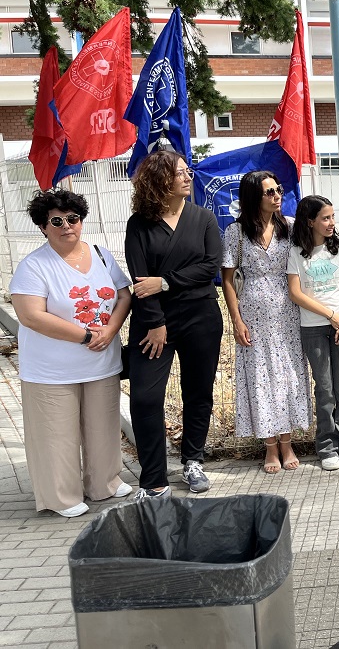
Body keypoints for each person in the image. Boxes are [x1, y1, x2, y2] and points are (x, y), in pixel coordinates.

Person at [11, 189, 132, 517]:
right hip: (51, 371)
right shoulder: (34, 265)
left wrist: (109, 330)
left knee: (103, 428)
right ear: (43, 226)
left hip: (102, 362)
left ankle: (104, 482)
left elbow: (123, 296)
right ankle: (61, 496)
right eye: (56, 220)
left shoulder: (101, 254)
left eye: (73, 218)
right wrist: (85, 335)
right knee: (55, 434)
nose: (67, 225)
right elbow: (31, 315)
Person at [125, 151, 224, 498]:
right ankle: (153, 480)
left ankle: (193, 460)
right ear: (159, 180)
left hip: (201, 316)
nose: (188, 177)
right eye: (179, 172)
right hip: (152, 322)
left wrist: (165, 281)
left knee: (198, 394)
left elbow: (210, 267)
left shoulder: (204, 219)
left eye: (188, 171)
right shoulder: (139, 224)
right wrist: (155, 322)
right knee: (145, 399)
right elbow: (140, 279)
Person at [222, 171, 311, 473]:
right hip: (253, 312)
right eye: (269, 192)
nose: (277, 196)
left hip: (288, 309)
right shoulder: (236, 232)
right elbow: (228, 279)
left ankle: (288, 444)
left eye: (278, 189)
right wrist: (236, 319)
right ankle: (270, 448)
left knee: (287, 376)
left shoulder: (291, 227)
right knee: (261, 379)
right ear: (253, 197)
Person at [288, 195, 339, 471]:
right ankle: (327, 447)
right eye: (325, 218)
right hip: (314, 327)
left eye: (332, 217)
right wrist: (330, 315)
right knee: (325, 389)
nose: (331, 223)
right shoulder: (296, 251)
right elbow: (295, 293)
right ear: (310, 222)